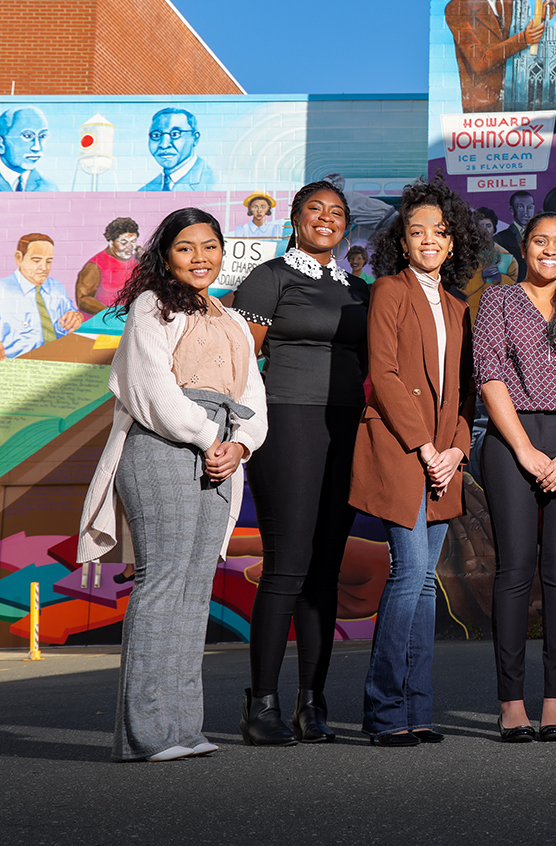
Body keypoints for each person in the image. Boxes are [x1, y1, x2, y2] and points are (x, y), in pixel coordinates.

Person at [77, 207, 268, 761]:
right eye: (186, 248)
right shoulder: (150, 306)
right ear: (165, 256)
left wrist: (240, 444)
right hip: (163, 446)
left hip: (222, 451)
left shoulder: (231, 318)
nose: (200, 258)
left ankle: (183, 729)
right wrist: (210, 435)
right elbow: (152, 388)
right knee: (162, 584)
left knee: (194, 589)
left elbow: (253, 394)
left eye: (210, 246)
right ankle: (147, 734)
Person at [232, 180, 370, 745]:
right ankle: (259, 705)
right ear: (294, 217)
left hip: (346, 428)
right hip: (286, 423)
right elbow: (240, 362)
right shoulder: (270, 278)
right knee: (287, 563)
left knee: (325, 572)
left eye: (337, 213)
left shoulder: (359, 288)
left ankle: (311, 703)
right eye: (315, 209)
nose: (326, 219)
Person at [349, 179, 479, 747]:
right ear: (403, 242)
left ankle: (418, 709)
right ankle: (383, 712)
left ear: (453, 244)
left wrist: (455, 449)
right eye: (417, 232)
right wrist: (426, 447)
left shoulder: (457, 305)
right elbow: (385, 376)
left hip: (442, 458)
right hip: (402, 451)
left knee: (426, 584)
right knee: (407, 576)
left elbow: (463, 393)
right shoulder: (389, 291)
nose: (429, 240)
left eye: (440, 233)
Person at [474, 212, 556, 742]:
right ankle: (512, 703)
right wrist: (526, 450)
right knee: (514, 571)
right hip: (511, 443)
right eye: (539, 241)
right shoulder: (499, 301)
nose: (549, 250)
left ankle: (555, 701)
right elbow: (490, 375)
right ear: (523, 247)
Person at [444, 0, 553, 113]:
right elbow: (479, 61)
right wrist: (524, 39)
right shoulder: (459, 6)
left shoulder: (515, 3)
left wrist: (543, 18)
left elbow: (530, 52)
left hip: (520, 108)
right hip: (483, 114)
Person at [0, 233, 82, 359]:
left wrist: (75, 317)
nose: (44, 268)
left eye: (49, 261)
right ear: (19, 258)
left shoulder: (56, 287)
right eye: (36, 260)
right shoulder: (2, 291)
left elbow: (68, 322)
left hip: (57, 364)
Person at [138, 108, 216, 191]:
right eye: (156, 135)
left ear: (195, 138)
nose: (164, 145)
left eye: (175, 134)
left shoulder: (214, 182)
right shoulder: (145, 191)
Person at [75, 218, 140, 316]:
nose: (129, 247)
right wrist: (110, 313)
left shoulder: (137, 261)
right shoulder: (94, 266)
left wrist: (147, 262)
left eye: (133, 241)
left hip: (126, 322)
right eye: (123, 242)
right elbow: (83, 299)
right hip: (98, 324)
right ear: (111, 242)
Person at [463, 207, 517, 320]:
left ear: (494, 229)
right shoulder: (465, 255)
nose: (484, 230)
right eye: (480, 226)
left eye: (488, 226)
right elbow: (461, 285)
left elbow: (514, 285)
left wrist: (499, 278)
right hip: (472, 312)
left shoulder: (505, 256)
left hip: (498, 313)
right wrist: (481, 275)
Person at [0, 106, 57, 191]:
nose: (37, 147)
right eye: (28, 136)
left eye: (42, 136)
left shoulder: (49, 188)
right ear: (1, 143)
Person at [494, 190, 536, 281]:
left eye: (530, 207)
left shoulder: (540, 235)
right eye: (520, 207)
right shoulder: (501, 238)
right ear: (512, 210)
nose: (526, 212)